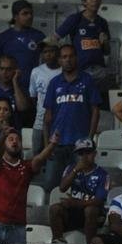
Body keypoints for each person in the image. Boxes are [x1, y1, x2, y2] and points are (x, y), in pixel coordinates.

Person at [0, 128, 57, 244]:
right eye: (11, 139)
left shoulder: (26, 167)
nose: (14, 141)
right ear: (4, 144)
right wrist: (2, 136)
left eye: (17, 139)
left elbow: (39, 158)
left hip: (18, 228)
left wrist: (52, 144)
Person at [41, 46, 102, 192]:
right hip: (57, 144)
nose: (67, 60)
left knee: (81, 186)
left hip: (80, 145)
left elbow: (95, 111)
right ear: (59, 60)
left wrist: (90, 138)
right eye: (64, 57)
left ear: (76, 58)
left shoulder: (87, 80)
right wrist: (46, 145)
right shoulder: (54, 83)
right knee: (51, 185)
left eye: (70, 56)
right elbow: (47, 117)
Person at [55, 0, 115, 100]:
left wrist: (105, 42)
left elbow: (107, 51)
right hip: (80, 69)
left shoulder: (102, 22)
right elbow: (56, 37)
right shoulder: (75, 19)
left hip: (99, 71)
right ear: (84, 1)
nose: (94, 1)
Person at [50, 139, 107, 244]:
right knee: (55, 208)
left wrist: (78, 203)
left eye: (88, 153)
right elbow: (62, 188)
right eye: (81, 154)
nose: (84, 157)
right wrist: (76, 170)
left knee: (90, 210)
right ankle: (57, 241)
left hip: (95, 214)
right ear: (76, 155)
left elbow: (99, 200)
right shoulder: (71, 168)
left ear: (94, 154)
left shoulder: (102, 174)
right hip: (74, 210)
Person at [0, 1, 47, 85]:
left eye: (31, 13)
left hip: (31, 86)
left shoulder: (39, 36)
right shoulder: (3, 37)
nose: (30, 16)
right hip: (9, 86)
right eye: (25, 13)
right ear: (15, 16)